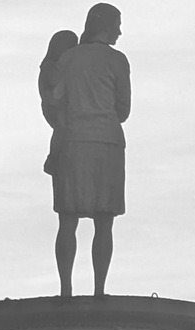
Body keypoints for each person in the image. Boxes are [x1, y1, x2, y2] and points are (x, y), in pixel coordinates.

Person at [47, 3, 131, 297]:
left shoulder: (68, 59)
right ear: (105, 25)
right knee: (104, 222)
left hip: (72, 143)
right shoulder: (118, 61)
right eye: (117, 24)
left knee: (67, 221)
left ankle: (66, 290)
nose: (120, 31)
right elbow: (123, 110)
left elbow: (55, 101)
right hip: (106, 144)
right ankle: (99, 290)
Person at [38, 29, 78, 175]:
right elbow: (52, 87)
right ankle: (53, 158)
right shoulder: (50, 66)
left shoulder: (55, 65)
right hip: (54, 105)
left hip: (58, 104)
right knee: (62, 129)